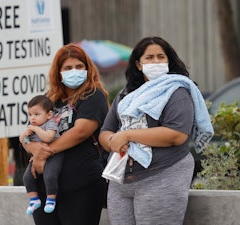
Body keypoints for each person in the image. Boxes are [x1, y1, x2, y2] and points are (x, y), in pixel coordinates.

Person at [99, 36, 214, 225]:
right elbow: (106, 131)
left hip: (161, 175)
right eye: (149, 57)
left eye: (161, 57)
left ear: (169, 61)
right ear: (138, 64)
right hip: (121, 180)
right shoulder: (126, 95)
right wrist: (113, 141)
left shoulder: (177, 92)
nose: (156, 62)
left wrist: (127, 135)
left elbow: (176, 135)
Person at [21, 43, 109, 225]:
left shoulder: (93, 95)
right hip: (45, 187)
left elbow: (81, 131)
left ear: (87, 69)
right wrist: (35, 149)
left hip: (81, 185)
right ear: (58, 72)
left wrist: (46, 151)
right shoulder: (50, 99)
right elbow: (29, 133)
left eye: (79, 66)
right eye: (67, 68)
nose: (74, 71)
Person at [20, 95, 61, 215]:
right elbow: (22, 141)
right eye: (30, 114)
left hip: (54, 154)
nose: (32, 118)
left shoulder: (50, 124)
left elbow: (48, 137)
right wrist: (24, 135)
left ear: (48, 115)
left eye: (36, 114)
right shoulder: (32, 127)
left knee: (50, 174)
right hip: (38, 156)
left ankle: (51, 199)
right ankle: (34, 200)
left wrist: (36, 129)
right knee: (27, 177)